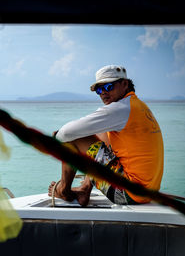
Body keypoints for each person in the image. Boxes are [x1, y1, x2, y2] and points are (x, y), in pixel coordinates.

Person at [48, 65, 164, 206]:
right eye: (99, 90)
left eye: (108, 87)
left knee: (73, 138)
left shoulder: (120, 109)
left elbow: (65, 134)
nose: (103, 93)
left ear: (124, 84)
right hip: (147, 192)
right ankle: (85, 189)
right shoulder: (138, 106)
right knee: (100, 133)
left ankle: (63, 190)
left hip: (127, 194)